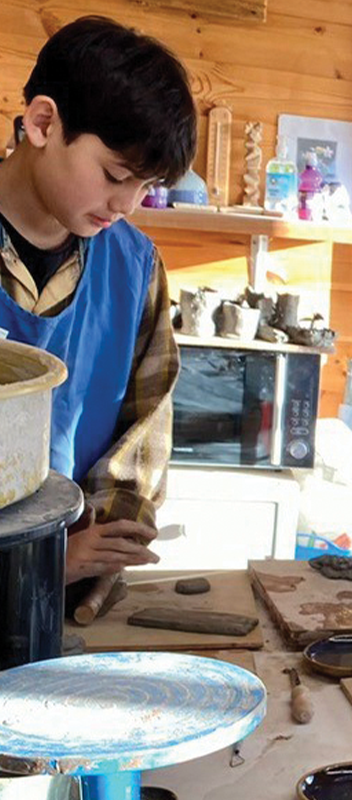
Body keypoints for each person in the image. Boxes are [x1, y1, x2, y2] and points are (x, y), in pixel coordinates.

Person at [0, 17, 197, 599]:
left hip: (67, 602)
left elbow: (145, 424)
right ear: (42, 123)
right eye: (115, 175)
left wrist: (93, 542)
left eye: (146, 187)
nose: (127, 205)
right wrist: (40, 557)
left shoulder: (133, 266)